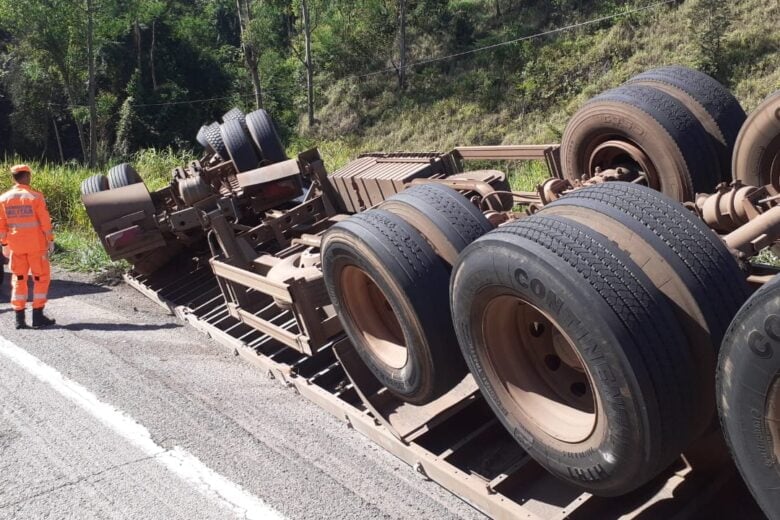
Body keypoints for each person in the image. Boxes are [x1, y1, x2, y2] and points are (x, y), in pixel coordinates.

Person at [0, 164, 56, 329]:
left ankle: (19, 319)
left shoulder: (3, 199)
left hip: (16, 246)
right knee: (40, 278)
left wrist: (4, 244)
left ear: (13, 178)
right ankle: (38, 316)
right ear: (27, 177)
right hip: (36, 246)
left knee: (19, 279)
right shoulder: (35, 197)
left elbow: (1, 225)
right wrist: (50, 239)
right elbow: (45, 222)